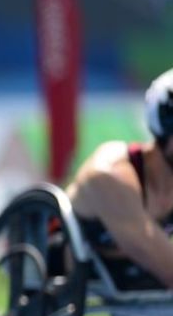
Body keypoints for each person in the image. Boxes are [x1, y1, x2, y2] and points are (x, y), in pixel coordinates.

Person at [66, 68, 173, 290]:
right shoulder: (110, 174)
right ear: (164, 126)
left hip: (129, 268)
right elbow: (166, 267)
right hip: (58, 262)